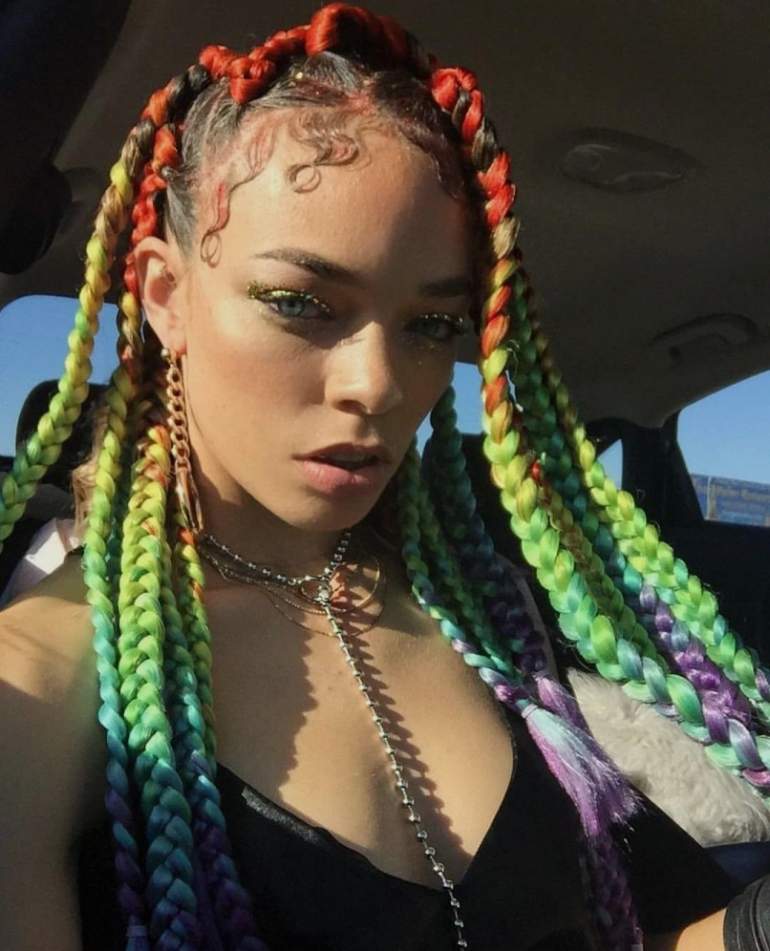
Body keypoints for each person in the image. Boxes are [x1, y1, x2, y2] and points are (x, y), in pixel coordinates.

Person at [0, 4, 767, 949]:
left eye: (430, 325)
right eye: (301, 303)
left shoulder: (486, 612)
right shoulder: (39, 681)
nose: (377, 383)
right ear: (166, 295)